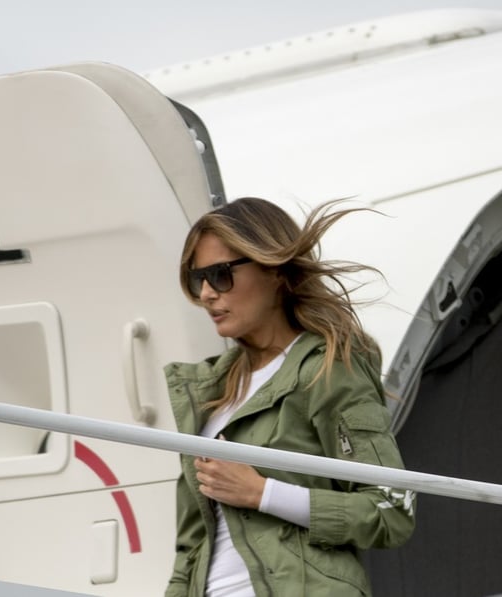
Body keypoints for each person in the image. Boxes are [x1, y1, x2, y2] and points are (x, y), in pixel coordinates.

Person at [164, 197, 415, 597]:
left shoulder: (328, 369)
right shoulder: (207, 394)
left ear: (275, 271)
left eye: (221, 275)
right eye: (198, 280)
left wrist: (262, 493)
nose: (207, 293)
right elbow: (189, 552)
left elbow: (390, 509)